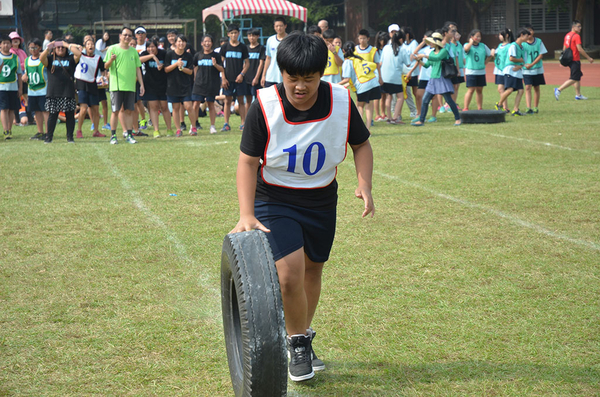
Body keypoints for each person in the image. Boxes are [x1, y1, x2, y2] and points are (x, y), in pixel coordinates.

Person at [231, 31, 374, 382]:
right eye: (292, 78)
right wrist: (246, 213)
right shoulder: (263, 104)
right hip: (274, 198)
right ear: (281, 73)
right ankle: (296, 342)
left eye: (308, 79)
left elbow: (362, 144)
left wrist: (364, 184)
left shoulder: (340, 100)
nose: (300, 86)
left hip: (321, 200)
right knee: (288, 274)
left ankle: (303, 335)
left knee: (313, 270)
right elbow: (248, 162)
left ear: (321, 73)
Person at [104, 26, 145, 144]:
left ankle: (129, 135)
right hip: (116, 86)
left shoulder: (133, 51)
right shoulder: (112, 49)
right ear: (120, 36)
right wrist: (111, 60)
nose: (127, 37)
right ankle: (113, 136)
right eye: (125, 35)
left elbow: (138, 69)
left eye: (129, 35)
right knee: (115, 111)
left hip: (130, 86)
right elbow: (106, 66)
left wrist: (141, 84)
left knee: (129, 111)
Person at [411, 32, 461, 127]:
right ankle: (421, 120)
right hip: (432, 79)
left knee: (449, 100)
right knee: (425, 100)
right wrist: (419, 60)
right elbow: (426, 65)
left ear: (437, 42)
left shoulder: (444, 51)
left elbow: (437, 57)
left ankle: (458, 118)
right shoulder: (432, 53)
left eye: (432, 42)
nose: (430, 43)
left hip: (442, 79)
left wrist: (424, 56)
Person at [40, 38, 82, 143]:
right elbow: (41, 59)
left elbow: (79, 54)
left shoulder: (71, 58)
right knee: (52, 115)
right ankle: (49, 137)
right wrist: (48, 48)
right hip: (53, 92)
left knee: (69, 115)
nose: (60, 49)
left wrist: (66, 45)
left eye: (62, 47)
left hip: (68, 91)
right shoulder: (50, 58)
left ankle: (70, 137)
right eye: (58, 47)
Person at [340, 41, 381, 132]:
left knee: (359, 106)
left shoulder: (348, 61)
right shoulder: (359, 58)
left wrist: (334, 85)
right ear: (355, 49)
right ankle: (367, 129)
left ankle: (360, 130)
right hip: (373, 82)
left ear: (343, 51)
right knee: (369, 106)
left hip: (363, 85)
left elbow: (346, 79)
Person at [139, 37, 172, 138]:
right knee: (153, 107)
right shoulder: (145, 53)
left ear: (157, 46)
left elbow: (167, 65)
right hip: (150, 84)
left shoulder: (164, 53)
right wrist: (151, 56)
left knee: (164, 107)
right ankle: (156, 130)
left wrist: (161, 65)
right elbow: (138, 60)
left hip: (163, 84)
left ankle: (169, 129)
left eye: (153, 47)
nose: (150, 49)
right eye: (148, 47)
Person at [192, 34, 224, 135]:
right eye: (205, 41)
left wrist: (215, 64)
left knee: (210, 104)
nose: (207, 43)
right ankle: (193, 125)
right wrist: (195, 78)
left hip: (211, 84)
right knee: (196, 104)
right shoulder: (198, 55)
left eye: (209, 41)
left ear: (212, 43)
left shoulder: (216, 55)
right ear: (201, 43)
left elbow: (222, 69)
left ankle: (212, 126)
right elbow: (194, 67)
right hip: (199, 84)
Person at [220, 24, 249, 132]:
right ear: (228, 34)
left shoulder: (242, 47)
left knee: (241, 100)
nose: (233, 35)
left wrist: (242, 74)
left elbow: (247, 63)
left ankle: (243, 123)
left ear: (238, 34)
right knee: (227, 101)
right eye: (231, 33)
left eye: (235, 33)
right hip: (228, 79)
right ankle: (226, 124)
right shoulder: (224, 47)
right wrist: (223, 78)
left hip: (240, 79)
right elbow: (220, 64)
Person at [75, 36, 105, 138]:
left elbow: (104, 69)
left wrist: (103, 77)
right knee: (83, 109)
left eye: (92, 44)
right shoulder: (80, 55)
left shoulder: (98, 58)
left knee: (96, 109)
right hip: (82, 83)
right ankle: (79, 130)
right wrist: (77, 46)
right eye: (88, 44)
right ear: (85, 46)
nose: (90, 45)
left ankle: (96, 131)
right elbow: (71, 48)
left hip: (92, 84)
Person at [555, 20, 594, 101]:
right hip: (575, 59)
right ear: (573, 27)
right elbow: (579, 49)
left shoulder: (567, 35)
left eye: (580, 26)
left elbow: (564, 48)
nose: (580, 28)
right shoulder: (576, 36)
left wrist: (563, 60)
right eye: (578, 26)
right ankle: (559, 89)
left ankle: (578, 95)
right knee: (574, 78)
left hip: (569, 59)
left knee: (577, 76)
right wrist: (588, 58)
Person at [165, 34, 195, 136]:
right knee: (175, 108)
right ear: (175, 43)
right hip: (172, 85)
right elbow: (166, 69)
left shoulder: (188, 56)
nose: (181, 43)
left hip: (185, 85)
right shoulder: (169, 54)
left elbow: (191, 72)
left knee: (188, 106)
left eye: (183, 41)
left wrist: (182, 68)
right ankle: (178, 129)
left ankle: (193, 127)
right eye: (179, 41)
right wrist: (176, 64)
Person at [498, 27, 530, 116]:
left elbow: (523, 60)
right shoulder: (513, 45)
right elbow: (511, 58)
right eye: (527, 36)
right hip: (510, 70)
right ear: (521, 35)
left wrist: (520, 65)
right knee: (510, 89)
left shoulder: (522, 47)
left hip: (517, 71)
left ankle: (515, 110)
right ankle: (499, 104)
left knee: (520, 91)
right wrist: (520, 61)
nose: (528, 38)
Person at [379, 29, 407, 124]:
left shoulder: (386, 48)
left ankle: (389, 118)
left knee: (388, 96)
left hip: (385, 76)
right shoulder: (402, 49)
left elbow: (381, 62)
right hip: (395, 77)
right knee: (400, 97)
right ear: (400, 40)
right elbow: (408, 63)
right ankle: (395, 117)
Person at [23, 38, 49, 140]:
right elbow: (26, 73)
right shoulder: (27, 60)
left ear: (39, 48)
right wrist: (24, 77)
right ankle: (40, 131)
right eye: (31, 48)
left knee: (45, 111)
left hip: (43, 90)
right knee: (37, 111)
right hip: (32, 91)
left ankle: (48, 132)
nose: (33, 50)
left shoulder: (43, 59)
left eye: (35, 47)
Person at [462, 29, 492, 111]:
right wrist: (471, 42)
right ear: (472, 37)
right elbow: (466, 50)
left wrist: (485, 62)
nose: (479, 38)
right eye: (477, 36)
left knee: (479, 90)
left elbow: (490, 55)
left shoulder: (483, 46)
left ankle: (480, 107)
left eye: (480, 36)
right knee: (471, 89)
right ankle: (466, 107)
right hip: (471, 72)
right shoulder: (467, 45)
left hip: (481, 71)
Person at [0, 34, 22, 140]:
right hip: (1, 87)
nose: (6, 45)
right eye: (4, 43)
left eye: (8, 43)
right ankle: (5, 130)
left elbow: (19, 74)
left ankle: (10, 129)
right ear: (0, 45)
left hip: (13, 87)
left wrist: (20, 88)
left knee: (12, 109)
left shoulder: (15, 58)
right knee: (4, 108)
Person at [522, 24, 547, 114]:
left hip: (537, 68)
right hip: (526, 69)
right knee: (528, 87)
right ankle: (528, 108)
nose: (529, 33)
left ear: (533, 31)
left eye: (530, 30)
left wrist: (532, 64)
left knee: (536, 87)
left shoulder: (539, 41)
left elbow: (541, 54)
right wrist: (525, 64)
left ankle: (535, 107)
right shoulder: (522, 43)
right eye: (527, 31)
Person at [262, 17, 288, 88]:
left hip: (284, 77)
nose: (279, 28)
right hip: (271, 77)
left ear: (285, 26)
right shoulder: (270, 40)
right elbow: (268, 58)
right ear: (274, 27)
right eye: (277, 26)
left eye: (281, 26)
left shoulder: (289, 40)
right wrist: (264, 75)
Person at [492, 28, 513, 112]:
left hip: (505, 69)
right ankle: (505, 107)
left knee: (502, 88)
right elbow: (496, 57)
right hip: (499, 69)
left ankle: (504, 106)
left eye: (501, 34)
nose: (499, 36)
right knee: (500, 89)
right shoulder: (499, 46)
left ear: (506, 35)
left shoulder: (510, 46)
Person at [244, 28, 266, 108]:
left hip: (256, 77)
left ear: (258, 36)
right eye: (249, 35)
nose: (251, 37)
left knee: (258, 100)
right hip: (246, 78)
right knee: (248, 100)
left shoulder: (261, 48)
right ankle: (247, 119)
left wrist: (256, 78)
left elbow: (261, 64)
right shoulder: (245, 48)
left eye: (253, 35)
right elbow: (244, 63)